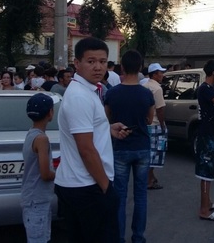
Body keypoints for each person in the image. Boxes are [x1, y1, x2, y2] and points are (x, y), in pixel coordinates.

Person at [54, 37, 130, 243]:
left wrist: (107, 128)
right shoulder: (79, 96)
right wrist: (106, 188)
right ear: (77, 64)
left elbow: (86, 132)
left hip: (83, 184)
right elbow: (86, 149)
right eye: (91, 61)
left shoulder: (88, 90)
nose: (98, 67)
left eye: (103, 61)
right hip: (87, 186)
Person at [104, 50, 154, 243]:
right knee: (141, 195)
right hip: (142, 146)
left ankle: (119, 237)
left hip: (120, 147)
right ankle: (138, 237)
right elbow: (149, 119)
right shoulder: (146, 93)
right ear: (140, 67)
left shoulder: (112, 93)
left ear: (122, 68)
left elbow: (106, 119)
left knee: (120, 195)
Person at [21, 93, 56, 243]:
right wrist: (61, 173)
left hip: (33, 197)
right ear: (50, 113)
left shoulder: (31, 133)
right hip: (37, 199)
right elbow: (45, 174)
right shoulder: (42, 139)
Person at [196, 59, 214, 221]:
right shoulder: (205, 89)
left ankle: (207, 202)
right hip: (207, 135)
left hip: (212, 133)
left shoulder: (209, 89)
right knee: (206, 172)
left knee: (211, 169)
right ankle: (204, 210)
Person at [143, 62, 168, 190]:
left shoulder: (143, 85)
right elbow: (160, 109)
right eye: (160, 73)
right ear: (154, 74)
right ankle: (148, 180)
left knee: (148, 153)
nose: (162, 75)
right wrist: (163, 125)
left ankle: (150, 177)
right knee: (155, 154)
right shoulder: (157, 89)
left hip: (145, 124)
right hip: (155, 124)